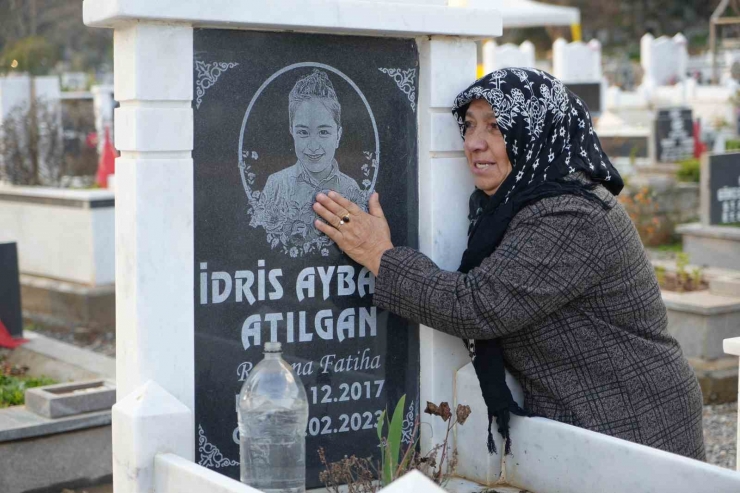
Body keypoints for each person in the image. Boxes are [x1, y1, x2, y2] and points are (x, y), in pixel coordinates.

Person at [311, 68, 705, 460]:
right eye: (469, 126)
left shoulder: (570, 215)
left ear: (536, 131)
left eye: (496, 127)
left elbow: (479, 306)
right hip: (593, 426)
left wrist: (378, 254)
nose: (474, 143)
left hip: (635, 424)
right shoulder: (510, 205)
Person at [260, 69, 363, 246]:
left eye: (323, 132)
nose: (313, 146)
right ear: (292, 132)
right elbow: (260, 240)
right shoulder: (275, 185)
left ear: (338, 135)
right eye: (303, 132)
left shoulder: (351, 188)